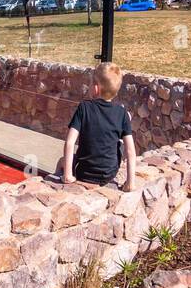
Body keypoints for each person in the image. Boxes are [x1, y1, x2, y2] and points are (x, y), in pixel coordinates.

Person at [58, 62, 137, 191]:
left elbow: (70, 142)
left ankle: (62, 179)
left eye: (90, 83)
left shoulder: (84, 107)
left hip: (83, 172)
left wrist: (68, 175)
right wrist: (130, 183)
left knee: (62, 161)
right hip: (109, 174)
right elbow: (130, 151)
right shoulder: (122, 113)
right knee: (120, 142)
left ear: (96, 88)